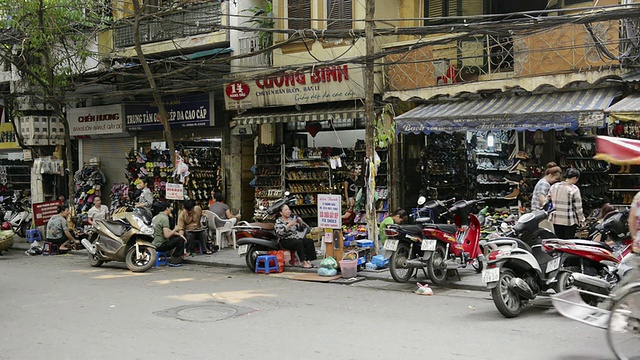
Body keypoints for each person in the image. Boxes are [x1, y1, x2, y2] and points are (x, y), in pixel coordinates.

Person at [274, 204, 316, 269]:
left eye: (288, 209)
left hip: (295, 238)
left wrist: (300, 223)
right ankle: (303, 262)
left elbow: (301, 229)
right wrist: (288, 225)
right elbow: (279, 233)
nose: (288, 211)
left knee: (309, 241)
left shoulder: (292, 219)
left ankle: (309, 260)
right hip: (284, 240)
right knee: (298, 242)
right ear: (281, 212)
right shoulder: (279, 221)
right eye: (286, 210)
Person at [549, 168, 585, 239]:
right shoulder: (574, 189)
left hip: (556, 218)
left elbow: (547, 200)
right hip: (569, 220)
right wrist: (581, 219)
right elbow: (578, 207)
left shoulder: (554, 186)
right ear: (574, 178)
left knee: (559, 239)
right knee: (568, 241)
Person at [152, 202, 186, 266]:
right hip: (160, 245)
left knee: (177, 237)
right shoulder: (164, 219)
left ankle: (171, 255)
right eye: (170, 207)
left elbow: (167, 230)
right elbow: (167, 235)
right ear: (167, 208)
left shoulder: (156, 217)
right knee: (180, 240)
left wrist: (179, 234)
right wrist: (175, 229)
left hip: (153, 243)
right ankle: (176, 259)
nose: (171, 209)